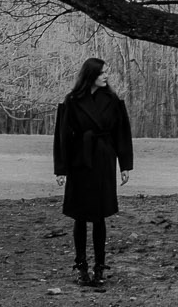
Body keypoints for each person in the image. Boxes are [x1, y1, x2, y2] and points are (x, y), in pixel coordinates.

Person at [53, 56, 134, 289]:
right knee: (80, 216)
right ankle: (81, 266)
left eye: (107, 72)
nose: (106, 76)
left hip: (104, 160)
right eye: (102, 73)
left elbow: (122, 134)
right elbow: (62, 137)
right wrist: (61, 169)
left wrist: (124, 165)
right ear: (91, 75)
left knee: (100, 216)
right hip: (80, 161)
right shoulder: (72, 101)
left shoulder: (113, 100)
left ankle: (100, 266)